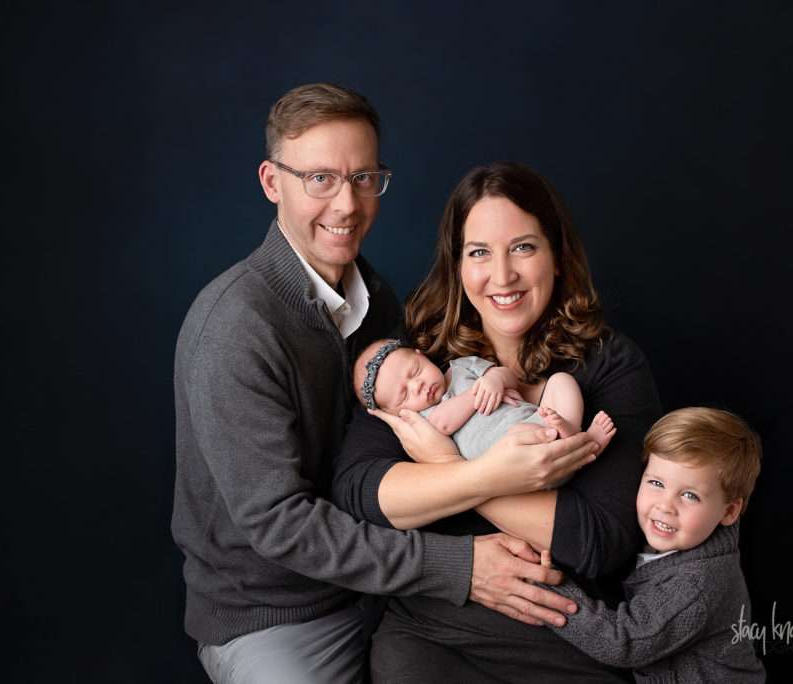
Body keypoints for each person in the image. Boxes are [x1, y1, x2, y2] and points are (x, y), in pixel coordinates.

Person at [172, 85, 594, 684]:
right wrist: (460, 565)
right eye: (320, 178)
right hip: (279, 614)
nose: (347, 203)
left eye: (364, 177)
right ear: (272, 183)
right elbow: (281, 527)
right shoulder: (235, 327)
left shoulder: (377, 305)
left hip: (388, 584)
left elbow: (401, 455)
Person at [333, 161, 664, 682]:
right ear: (457, 265)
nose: (502, 275)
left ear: (557, 257)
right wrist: (470, 550)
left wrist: (444, 466)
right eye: (479, 253)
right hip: (432, 632)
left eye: (524, 247)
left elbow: (597, 539)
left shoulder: (610, 364)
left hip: (561, 634)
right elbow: (361, 491)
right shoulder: (421, 361)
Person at [541, 407, 766, 682]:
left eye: (690, 495)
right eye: (657, 483)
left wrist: (549, 589)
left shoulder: (698, 585)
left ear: (729, 512)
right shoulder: (682, 539)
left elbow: (622, 643)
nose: (665, 506)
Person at [352, 338, 617, 460]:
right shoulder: (421, 418)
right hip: (510, 455)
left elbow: (508, 376)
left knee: (562, 382)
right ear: (399, 413)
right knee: (522, 435)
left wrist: (497, 380)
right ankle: (578, 446)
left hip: (536, 419)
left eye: (415, 371)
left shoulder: (461, 366)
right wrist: (475, 393)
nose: (419, 386)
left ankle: (575, 434)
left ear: (422, 355)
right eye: (405, 394)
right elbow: (442, 425)